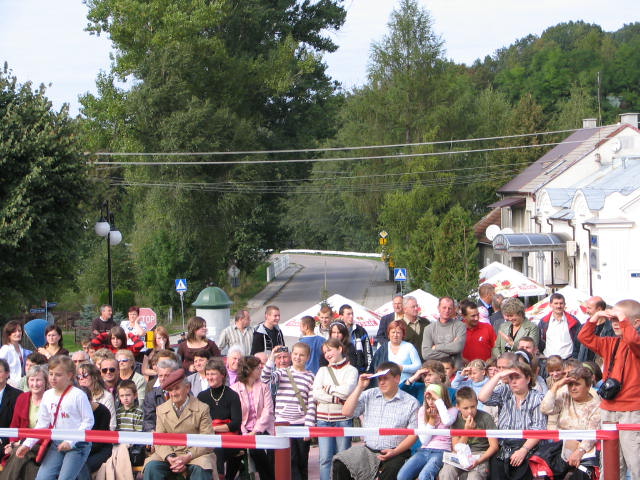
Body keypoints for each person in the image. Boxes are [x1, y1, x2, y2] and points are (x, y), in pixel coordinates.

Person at [578, 299, 640, 479]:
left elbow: (632, 339)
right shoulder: (610, 342)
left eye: (618, 319)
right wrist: (595, 317)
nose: (615, 323)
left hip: (631, 412)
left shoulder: (636, 342)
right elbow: (584, 337)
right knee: (610, 465)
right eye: (612, 320)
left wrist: (622, 318)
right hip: (608, 409)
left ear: (636, 322)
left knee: (636, 463)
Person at [332, 362, 420, 480]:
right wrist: (360, 387)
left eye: (385, 378)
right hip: (368, 450)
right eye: (379, 379)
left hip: (397, 452)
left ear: (397, 379)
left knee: (392, 471)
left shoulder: (411, 402)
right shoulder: (369, 394)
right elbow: (346, 412)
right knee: (341, 462)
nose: (381, 382)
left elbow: (413, 434)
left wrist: (395, 451)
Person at [16, 356, 94, 480]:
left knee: (65, 477)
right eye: (51, 374)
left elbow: (88, 421)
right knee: (42, 477)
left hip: (78, 445)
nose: (53, 378)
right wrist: (27, 444)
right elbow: (42, 424)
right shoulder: (47, 395)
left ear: (69, 375)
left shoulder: (78, 395)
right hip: (57, 443)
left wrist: (71, 441)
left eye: (58, 375)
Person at [478, 353, 546, 480]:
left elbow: (538, 430)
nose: (513, 382)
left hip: (526, 447)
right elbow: (482, 397)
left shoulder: (538, 398)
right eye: (511, 378)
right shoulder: (505, 391)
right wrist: (498, 376)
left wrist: (523, 450)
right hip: (503, 446)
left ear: (528, 379)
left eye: (517, 377)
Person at [143, 369, 215, 480]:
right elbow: (159, 440)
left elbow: (207, 440)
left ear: (188, 388)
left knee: (202, 467)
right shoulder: (161, 409)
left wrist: (187, 457)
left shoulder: (202, 408)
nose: (173, 393)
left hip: (194, 455)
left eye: (177, 388)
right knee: (151, 466)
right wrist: (170, 457)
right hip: (170, 454)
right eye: (170, 390)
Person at [535, 366, 601, 479]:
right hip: (561, 446)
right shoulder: (565, 396)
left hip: (585, 448)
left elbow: (591, 436)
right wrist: (556, 386)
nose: (573, 388)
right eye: (570, 384)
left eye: (577, 384)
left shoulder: (597, 406)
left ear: (588, 386)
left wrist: (579, 451)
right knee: (541, 471)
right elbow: (546, 409)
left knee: (580, 474)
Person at [263, 343, 316, 480]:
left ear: (308, 357)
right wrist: (271, 359)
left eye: (302, 355)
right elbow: (265, 378)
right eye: (295, 354)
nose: (298, 357)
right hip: (283, 424)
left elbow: (312, 402)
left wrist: (309, 426)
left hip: (301, 424)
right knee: (290, 461)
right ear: (291, 355)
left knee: (302, 462)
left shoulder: (311, 376)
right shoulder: (282, 372)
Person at [312, 338, 359, 480]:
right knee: (324, 459)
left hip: (343, 419)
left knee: (343, 459)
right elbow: (316, 393)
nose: (327, 354)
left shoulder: (352, 370)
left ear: (340, 349)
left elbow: (347, 391)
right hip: (323, 420)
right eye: (325, 352)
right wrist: (336, 398)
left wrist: (329, 389)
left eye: (329, 350)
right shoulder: (322, 370)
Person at [397, 383, 457, 480]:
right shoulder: (422, 410)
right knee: (402, 476)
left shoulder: (452, 410)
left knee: (424, 476)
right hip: (424, 450)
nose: (431, 402)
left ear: (442, 398)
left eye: (434, 399)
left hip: (442, 451)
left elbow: (447, 421)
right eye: (428, 399)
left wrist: (439, 401)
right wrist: (431, 421)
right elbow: (424, 441)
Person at [438, 387, 499, 480]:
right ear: (458, 407)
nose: (470, 411)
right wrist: (467, 431)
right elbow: (456, 448)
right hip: (460, 454)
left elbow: (494, 446)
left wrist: (478, 461)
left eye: (473, 406)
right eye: (465, 408)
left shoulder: (486, 418)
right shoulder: (456, 419)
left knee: (474, 477)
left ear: (477, 403)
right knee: (446, 472)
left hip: (480, 454)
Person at [0, 365, 48, 480]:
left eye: (38, 380)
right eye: (32, 380)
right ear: (27, 382)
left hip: (42, 445)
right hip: (20, 444)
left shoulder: (50, 399)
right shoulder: (22, 398)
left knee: (19, 453)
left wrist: (21, 443)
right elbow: (14, 425)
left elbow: (48, 429)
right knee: (28, 466)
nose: (35, 384)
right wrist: (13, 443)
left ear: (46, 382)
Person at [197, 358, 243, 480]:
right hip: (207, 438)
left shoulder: (232, 395)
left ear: (222, 375)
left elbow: (236, 424)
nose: (209, 377)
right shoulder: (202, 396)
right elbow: (197, 422)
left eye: (213, 374)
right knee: (213, 448)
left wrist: (213, 428)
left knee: (218, 448)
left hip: (229, 439)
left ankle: (220, 477)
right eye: (207, 374)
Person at [231, 356, 275, 480]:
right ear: (249, 370)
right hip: (242, 430)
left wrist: (255, 431)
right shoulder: (234, 389)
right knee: (252, 450)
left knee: (263, 452)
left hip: (263, 429)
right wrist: (245, 433)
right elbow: (235, 415)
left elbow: (268, 411)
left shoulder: (264, 387)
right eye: (257, 368)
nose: (260, 370)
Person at [76, 386, 112, 480]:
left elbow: (101, 441)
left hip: (100, 449)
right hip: (80, 448)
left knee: (81, 465)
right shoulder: (76, 412)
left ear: (90, 400)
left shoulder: (103, 412)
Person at [422, 297, 467, 368]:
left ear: (454, 309)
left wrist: (436, 347)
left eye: (450, 308)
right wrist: (452, 352)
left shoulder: (460, 326)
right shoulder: (429, 329)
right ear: (438, 308)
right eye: (444, 307)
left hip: (455, 370)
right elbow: (426, 354)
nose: (447, 310)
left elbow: (458, 347)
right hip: (436, 371)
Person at [538, 292, 582, 359]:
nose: (559, 306)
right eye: (556, 303)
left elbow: (579, 341)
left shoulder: (574, 321)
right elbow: (539, 341)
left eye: (561, 303)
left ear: (565, 305)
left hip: (568, 360)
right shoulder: (543, 322)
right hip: (549, 360)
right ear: (550, 305)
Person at [142, 358, 180, 432]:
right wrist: (152, 432)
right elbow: (148, 420)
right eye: (160, 376)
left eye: (166, 375)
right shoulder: (151, 396)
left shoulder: (183, 394)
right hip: (158, 434)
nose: (162, 379)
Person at [76, 362, 117, 430]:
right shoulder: (76, 396)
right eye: (79, 376)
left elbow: (112, 424)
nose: (81, 378)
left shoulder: (106, 396)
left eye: (85, 375)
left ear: (94, 377)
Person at [577, 296, 613, 362]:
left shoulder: (612, 328)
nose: (586, 311)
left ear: (599, 310)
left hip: (601, 366)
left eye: (589, 308)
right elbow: (576, 349)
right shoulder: (583, 327)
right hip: (584, 366)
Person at [339, 304, 374, 373]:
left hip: (359, 370)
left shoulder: (360, 330)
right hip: (342, 370)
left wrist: (368, 370)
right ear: (341, 317)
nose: (351, 316)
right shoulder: (337, 331)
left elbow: (368, 352)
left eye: (352, 314)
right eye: (348, 314)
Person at [0, 358, 22, 450]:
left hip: (6, 443)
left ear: (7, 373)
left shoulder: (17, 396)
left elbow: (16, 424)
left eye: (0, 372)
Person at [402, 296, 431, 361]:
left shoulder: (426, 322)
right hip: (409, 363)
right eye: (413, 307)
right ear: (405, 309)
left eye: (416, 306)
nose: (416, 308)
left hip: (427, 362)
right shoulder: (399, 325)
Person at [0, 321, 25, 388]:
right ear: (8, 334)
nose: (18, 333)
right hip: (10, 384)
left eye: (19, 331)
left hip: (21, 384)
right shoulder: (5, 349)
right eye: (14, 331)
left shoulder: (21, 349)